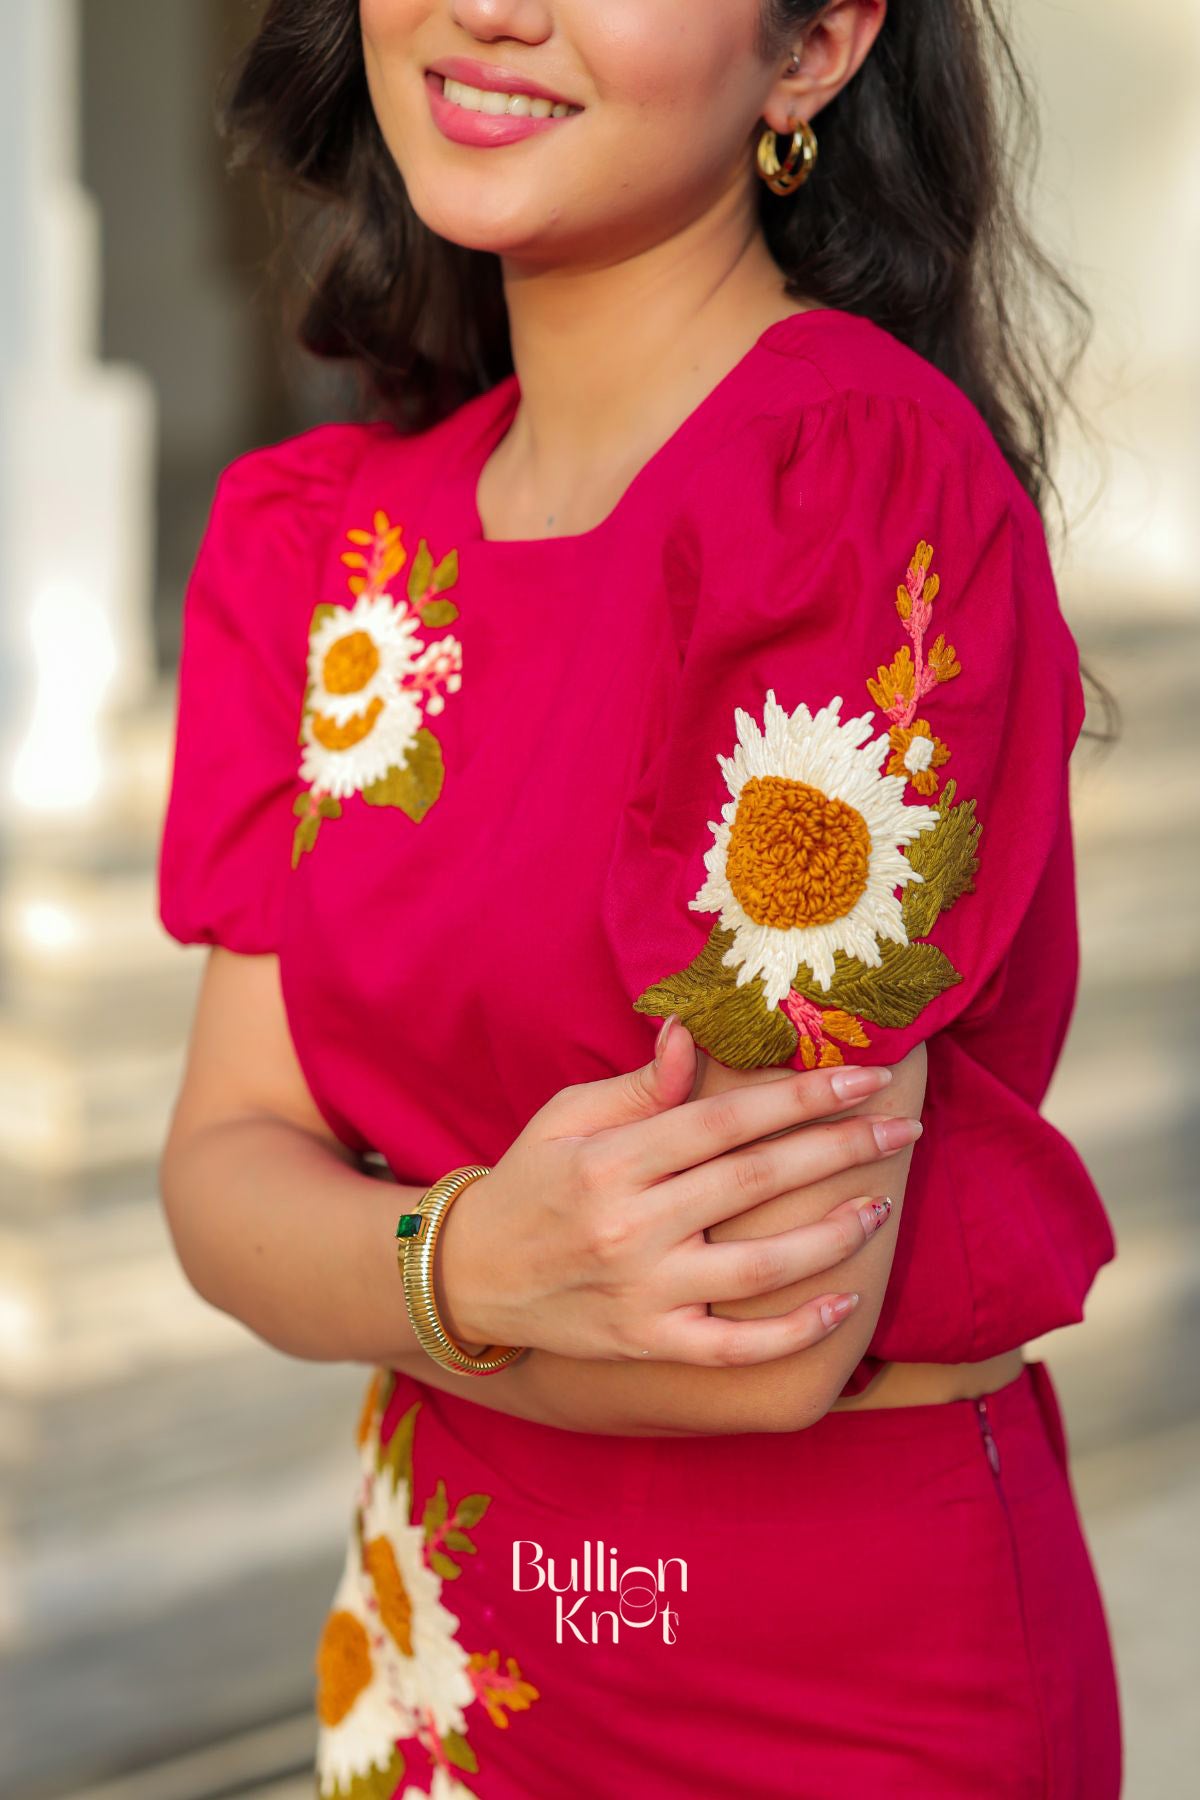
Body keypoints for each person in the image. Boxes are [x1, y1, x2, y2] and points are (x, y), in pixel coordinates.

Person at [155, 2, 1124, 1795]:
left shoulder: (846, 487)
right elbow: (218, 1170)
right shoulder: (330, 552)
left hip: (826, 1696)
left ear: (816, 45)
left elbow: (758, 1346)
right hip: (441, 1645)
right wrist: (477, 1261)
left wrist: (381, 1270)